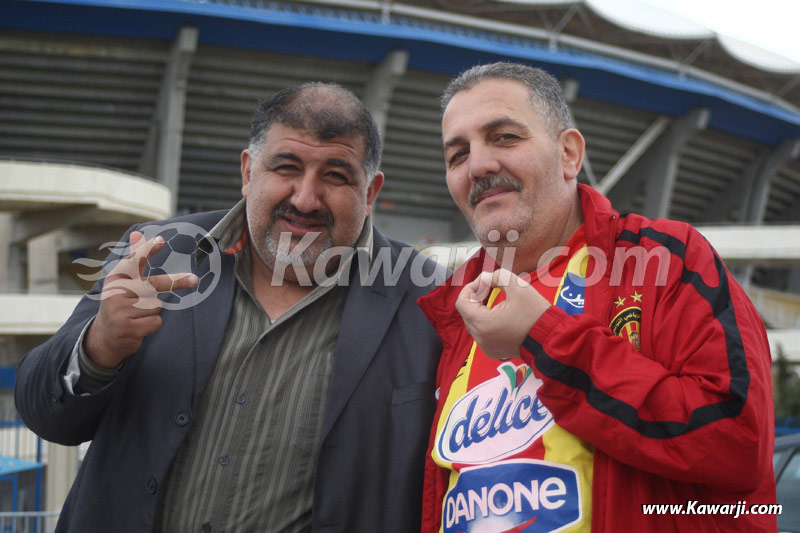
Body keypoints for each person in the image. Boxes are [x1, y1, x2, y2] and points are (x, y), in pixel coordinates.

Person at [15, 82, 445, 532]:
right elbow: (44, 413)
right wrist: (100, 346)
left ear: (370, 191)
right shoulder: (158, 253)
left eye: (336, 175)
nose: (305, 198)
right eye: (286, 167)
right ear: (247, 171)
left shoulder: (427, 299)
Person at [418, 62, 776, 532]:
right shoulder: (455, 306)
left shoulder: (666, 259)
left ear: (569, 154)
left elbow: (736, 440)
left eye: (504, 137)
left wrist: (543, 337)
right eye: (457, 154)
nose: (479, 165)